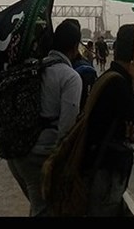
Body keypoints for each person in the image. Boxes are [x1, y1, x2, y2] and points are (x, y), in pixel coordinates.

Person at [7, 20, 83, 216]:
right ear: (75, 48)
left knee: (39, 205)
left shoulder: (33, 66)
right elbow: (67, 128)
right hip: (40, 155)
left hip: (17, 152)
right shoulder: (70, 77)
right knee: (45, 209)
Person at [81, 23, 134, 216]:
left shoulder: (110, 77)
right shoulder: (118, 84)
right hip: (105, 172)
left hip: (98, 165)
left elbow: (129, 128)